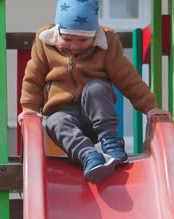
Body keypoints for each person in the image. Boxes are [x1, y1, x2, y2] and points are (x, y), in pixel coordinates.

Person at [19, 0, 164, 184]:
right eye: (68, 39)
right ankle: (88, 155)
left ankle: (111, 144)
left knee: (95, 88)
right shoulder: (44, 43)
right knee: (54, 122)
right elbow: (33, 77)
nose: (75, 45)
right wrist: (29, 108)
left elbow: (127, 77)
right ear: (57, 31)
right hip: (64, 114)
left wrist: (150, 107)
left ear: (94, 36)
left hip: (96, 115)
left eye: (83, 40)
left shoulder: (107, 42)